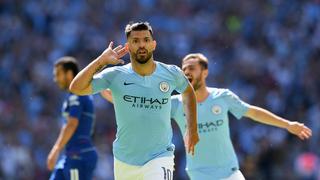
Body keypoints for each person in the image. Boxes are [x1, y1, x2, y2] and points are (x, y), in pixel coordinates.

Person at [101, 53, 313, 180]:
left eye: (192, 68)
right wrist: (112, 94)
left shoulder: (223, 97)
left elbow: (253, 112)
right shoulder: (175, 103)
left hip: (229, 172)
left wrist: (287, 124)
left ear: (205, 72)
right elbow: (144, 110)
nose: (187, 73)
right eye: (184, 69)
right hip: (200, 173)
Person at [69, 22, 199, 180]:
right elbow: (76, 87)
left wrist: (192, 129)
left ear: (153, 44)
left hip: (159, 157)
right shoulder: (115, 75)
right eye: (136, 41)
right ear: (128, 46)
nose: (142, 45)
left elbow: (188, 92)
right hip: (125, 160)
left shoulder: (171, 73)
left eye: (146, 40)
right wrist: (101, 61)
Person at [47, 57, 98, 180]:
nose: (55, 79)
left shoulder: (78, 95)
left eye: (58, 74)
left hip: (79, 156)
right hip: (70, 155)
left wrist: (56, 149)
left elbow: (72, 124)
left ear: (69, 74)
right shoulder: (73, 96)